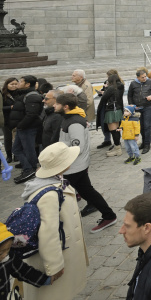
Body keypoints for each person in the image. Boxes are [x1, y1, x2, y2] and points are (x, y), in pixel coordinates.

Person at [20, 142, 89, 300]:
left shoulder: (56, 182)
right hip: (56, 257)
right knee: (56, 294)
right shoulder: (49, 194)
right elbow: (48, 233)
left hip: (66, 248)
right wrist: (54, 266)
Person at [55, 92, 118, 232]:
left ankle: (61, 225)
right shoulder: (68, 118)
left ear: (65, 106)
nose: (54, 105)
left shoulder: (74, 122)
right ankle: (109, 215)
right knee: (87, 192)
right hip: (74, 166)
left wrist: (59, 152)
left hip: (73, 167)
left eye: (56, 103)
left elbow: (78, 147)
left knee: (60, 194)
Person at [9, 76, 45, 184]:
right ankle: (28, 167)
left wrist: (20, 125)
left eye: (20, 81)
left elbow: (32, 114)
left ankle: (30, 169)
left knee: (29, 150)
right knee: (16, 149)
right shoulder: (23, 94)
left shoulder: (32, 96)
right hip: (23, 128)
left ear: (28, 84)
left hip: (28, 128)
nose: (18, 83)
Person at [126, 69, 151, 154]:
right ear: (137, 77)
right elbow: (130, 95)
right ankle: (144, 143)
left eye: (145, 76)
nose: (144, 78)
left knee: (147, 126)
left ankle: (147, 145)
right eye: (142, 77)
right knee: (140, 126)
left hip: (148, 107)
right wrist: (131, 105)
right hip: (137, 108)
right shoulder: (133, 83)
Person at [97, 74, 124, 154]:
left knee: (113, 130)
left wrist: (105, 88)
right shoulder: (121, 86)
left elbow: (104, 97)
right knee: (117, 129)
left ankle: (117, 149)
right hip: (118, 109)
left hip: (111, 110)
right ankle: (117, 146)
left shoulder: (111, 88)